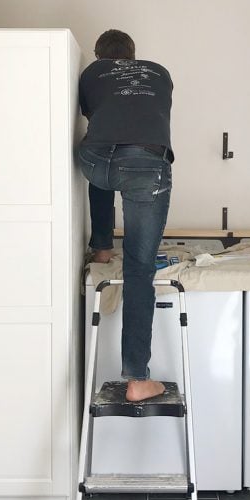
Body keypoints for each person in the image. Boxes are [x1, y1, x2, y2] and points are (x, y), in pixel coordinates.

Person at [78, 30, 173, 402]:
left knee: (102, 158)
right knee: (138, 267)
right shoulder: (159, 72)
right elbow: (150, 115)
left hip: (96, 162)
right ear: (134, 55)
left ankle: (102, 247)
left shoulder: (91, 73)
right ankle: (137, 377)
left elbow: (99, 116)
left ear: (99, 55)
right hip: (147, 166)